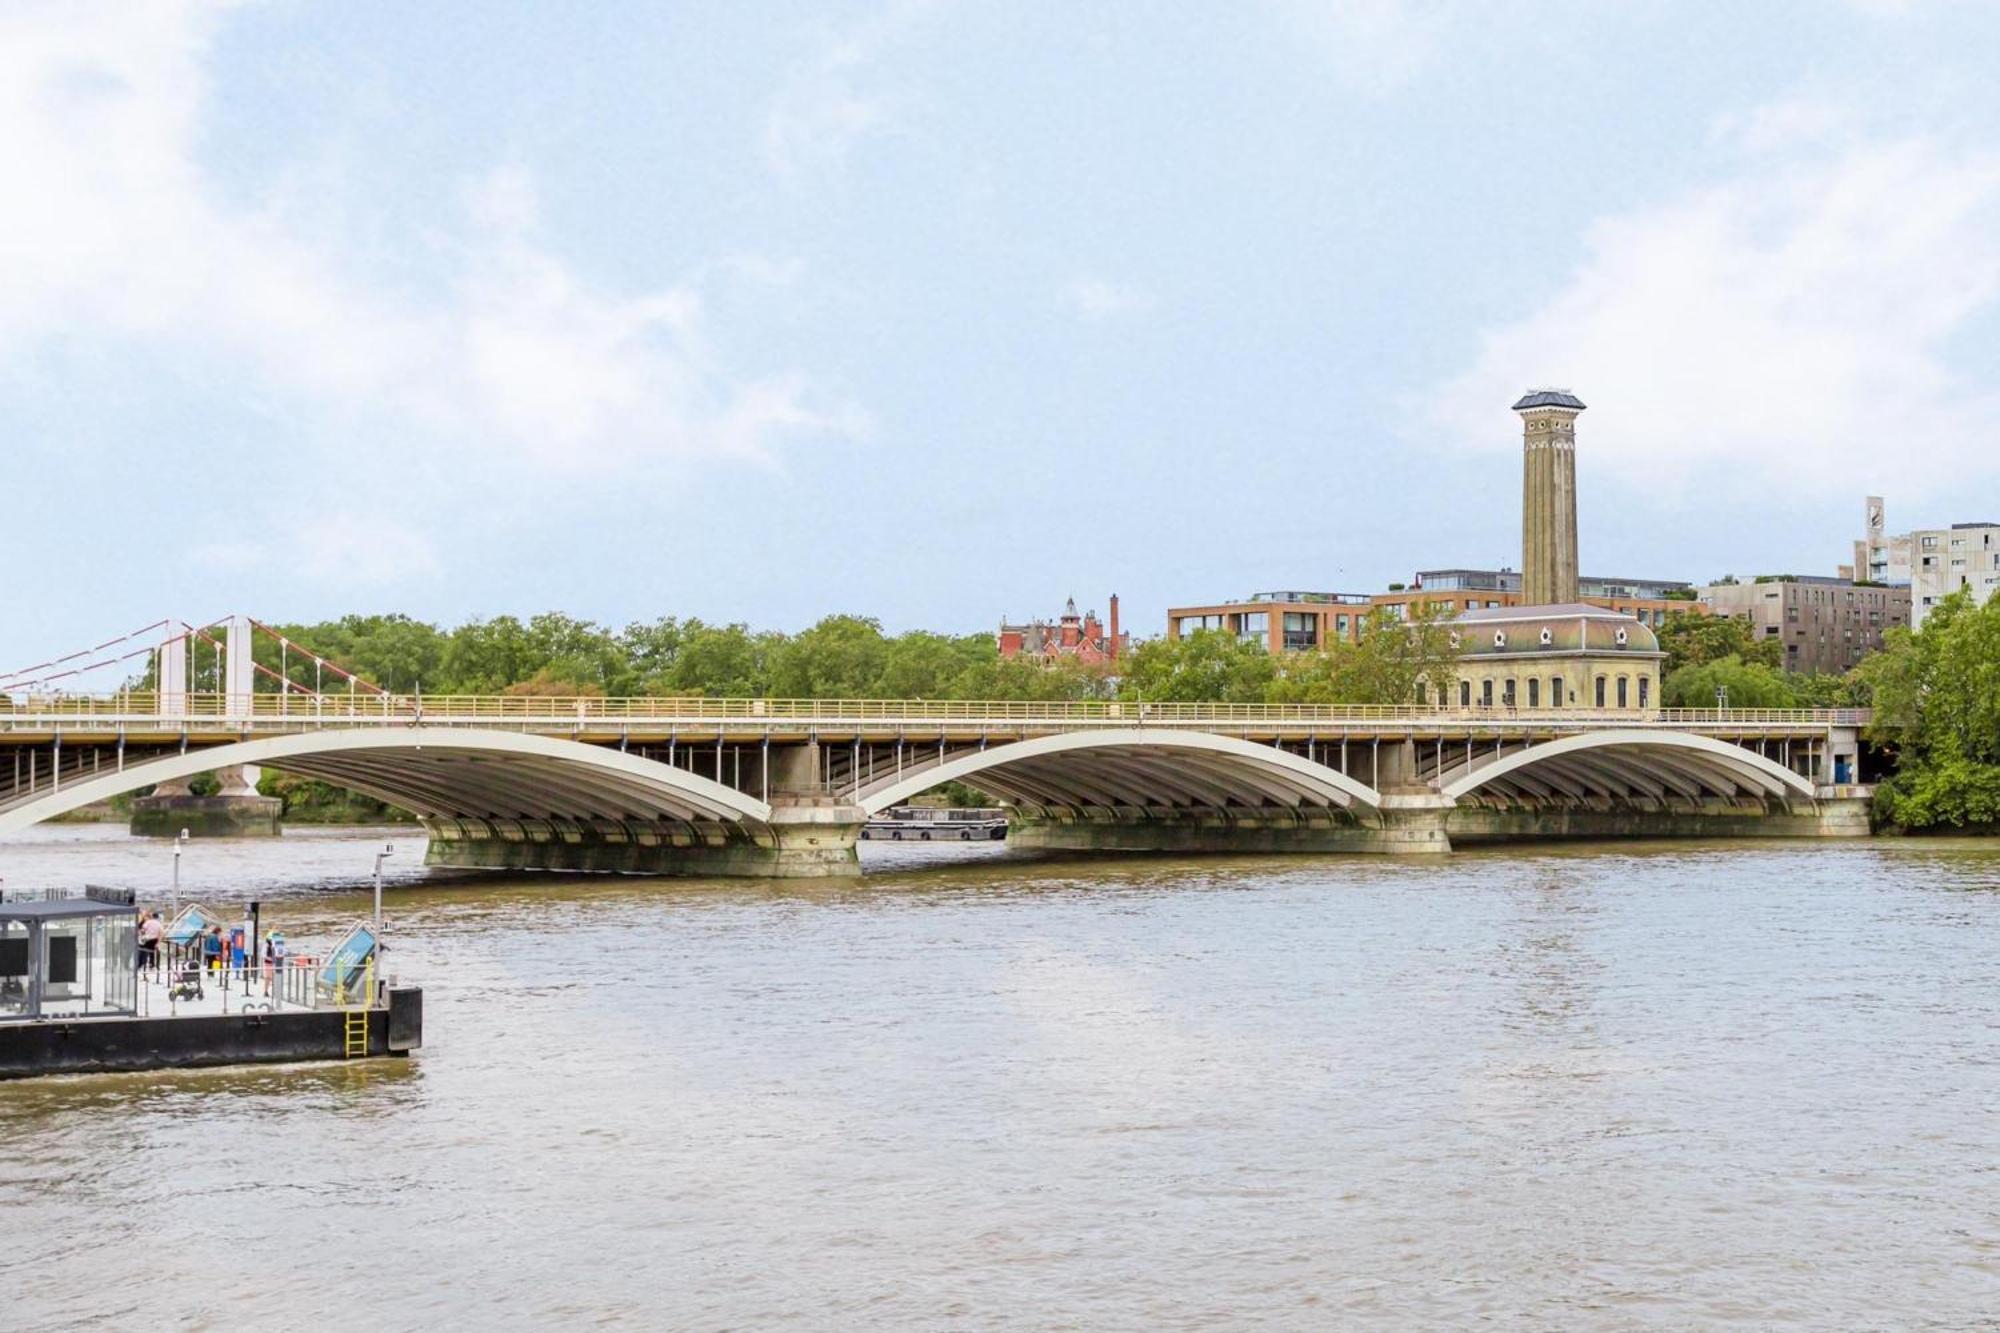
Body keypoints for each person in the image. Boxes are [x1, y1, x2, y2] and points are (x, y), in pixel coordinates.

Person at [137, 911, 163, 977]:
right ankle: (151, 965)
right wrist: (158, 943)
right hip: (154, 941)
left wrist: (142, 934)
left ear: (152, 916)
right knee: (152, 953)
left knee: (142, 951)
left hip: (147, 940)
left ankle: (140, 965)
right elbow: (161, 933)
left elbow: (142, 930)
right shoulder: (159, 924)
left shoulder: (148, 922)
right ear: (157, 917)